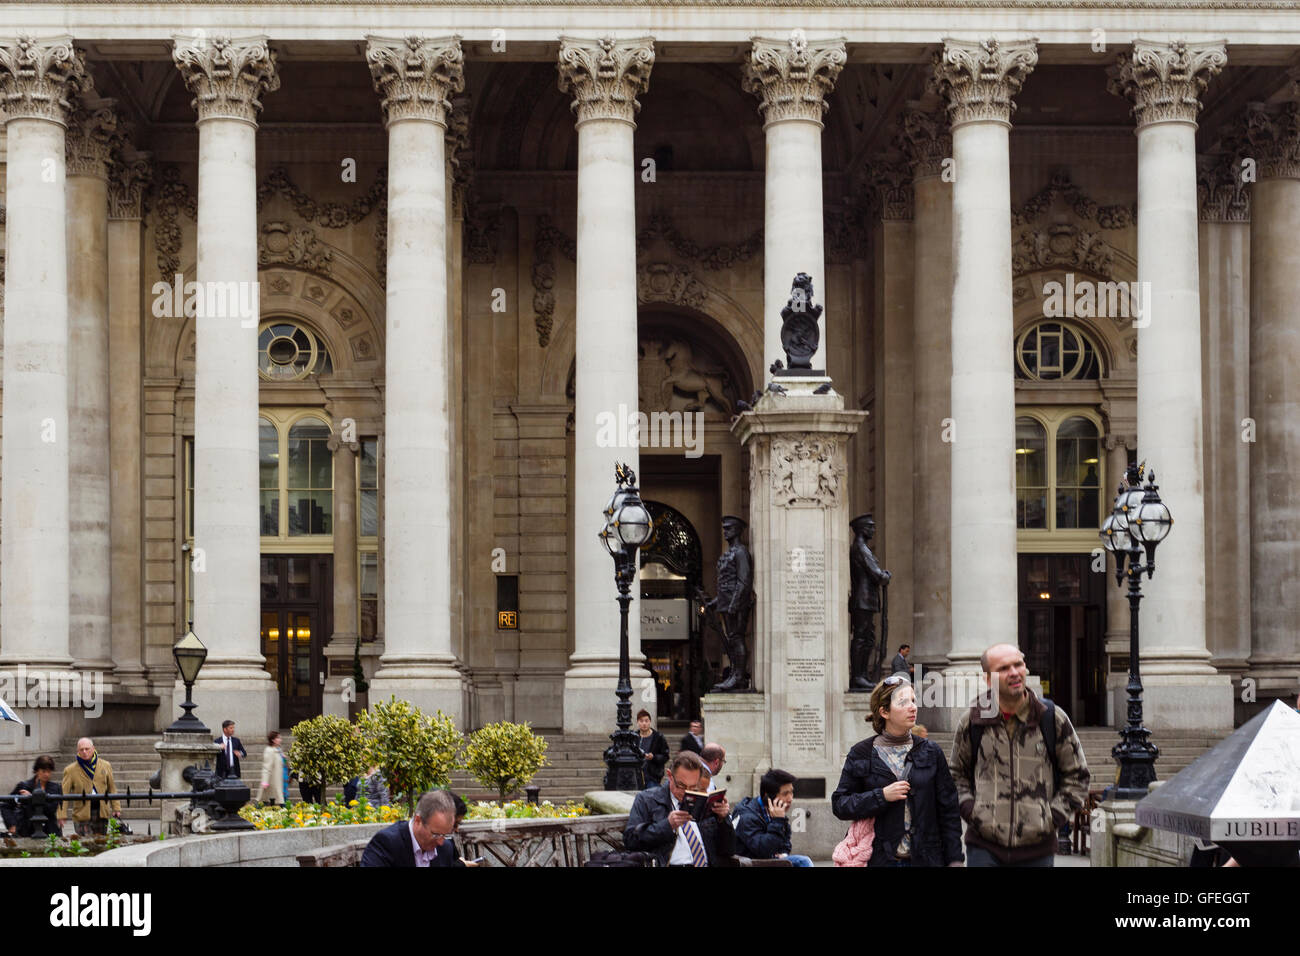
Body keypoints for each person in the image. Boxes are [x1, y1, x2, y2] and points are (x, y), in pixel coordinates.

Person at [949, 642, 1090, 867]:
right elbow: (955, 775)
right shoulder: (972, 721)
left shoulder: (1052, 718)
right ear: (988, 679)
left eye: (1018, 664)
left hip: (1038, 850)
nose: (1014, 673)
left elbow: (1077, 776)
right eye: (1003, 668)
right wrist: (973, 812)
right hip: (984, 848)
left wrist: (1051, 818)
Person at [832, 676, 963, 867]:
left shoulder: (931, 752)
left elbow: (949, 811)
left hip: (927, 860)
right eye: (903, 702)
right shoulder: (861, 753)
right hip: (881, 859)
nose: (912, 707)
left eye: (913, 700)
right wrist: (881, 796)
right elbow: (840, 804)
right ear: (884, 711)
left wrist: (955, 859)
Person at [623, 751, 734, 867]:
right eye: (681, 785)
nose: (686, 792)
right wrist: (667, 825)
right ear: (670, 776)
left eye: (692, 787)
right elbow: (630, 841)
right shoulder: (647, 799)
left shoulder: (703, 801)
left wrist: (723, 820)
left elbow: (728, 849)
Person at [360, 789, 462, 867]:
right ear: (418, 820)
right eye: (435, 834)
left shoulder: (445, 848)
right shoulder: (387, 842)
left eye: (445, 835)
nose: (440, 841)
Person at [733, 769, 813, 867]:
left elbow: (786, 842)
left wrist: (783, 854)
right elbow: (762, 850)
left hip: (770, 861)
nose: (790, 798)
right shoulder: (747, 817)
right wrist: (778, 821)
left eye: (791, 792)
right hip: (753, 863)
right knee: (803, 861)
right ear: (768, 797)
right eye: (785, 794)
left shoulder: (775, 811)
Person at [848, 514, 891, 690]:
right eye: (871, 526)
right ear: (863, 529)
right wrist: (885, 576)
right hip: (862, 601)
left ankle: (862, 674)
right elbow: (876, 574)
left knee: (867, 638)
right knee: (862, 638)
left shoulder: (862, 547)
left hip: (866, 601)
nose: (873, 529)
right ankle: (858, 676)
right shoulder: (861, 548)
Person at [59, 738, 122, 837]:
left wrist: (116, 807)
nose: (84, 752)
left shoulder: (105, 765)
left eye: (87, 749)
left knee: (101, 841)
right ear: (78, 751)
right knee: (85, 843)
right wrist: (61, 815)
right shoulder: (70, 770)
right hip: (82, 814)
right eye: (81, 749)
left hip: (101, 812)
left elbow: (112, 788)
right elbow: (63, 794)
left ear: (93, 749)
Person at [4, 755, 63, 837]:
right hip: (26, 831)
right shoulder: (24, 786)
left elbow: (51, 809)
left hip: (49, 831)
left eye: (49, 771)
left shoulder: (55, 788)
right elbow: (6, 805)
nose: (46, 774)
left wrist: (31, 798)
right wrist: (12, 825)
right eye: (43, 771)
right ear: (37, 771)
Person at [635, 709, 669, 788]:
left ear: (650, 722)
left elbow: (665, 756)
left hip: (653, 777)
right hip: (637, 776)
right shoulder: (634, 737)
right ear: (637, 722)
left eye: (646, 721)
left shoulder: (658, 737)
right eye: (641, 721)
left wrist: (653, 757)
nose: (644, 723)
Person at [259, 732, 287, 805]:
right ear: (273, 740)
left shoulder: (278, 750)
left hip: (281, 779)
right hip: (273, 781)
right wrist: (265, 781)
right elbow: (266, 766)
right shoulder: (269, 750)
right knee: (274, 801)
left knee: (281, 800)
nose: (280, 740)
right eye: (278, 738)